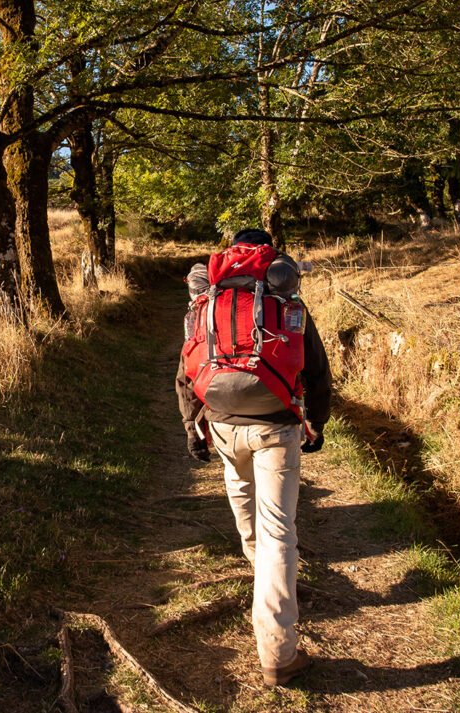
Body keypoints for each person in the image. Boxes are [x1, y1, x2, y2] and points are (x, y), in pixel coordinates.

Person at [175, 227, 332, 687]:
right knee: (279, 531)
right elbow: (315, 369)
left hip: (222, 422)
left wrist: (192, 426)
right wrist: (316, 422)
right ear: (271, 258)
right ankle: (278, 653)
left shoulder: (206, 304)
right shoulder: (287, 304)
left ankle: (261, 571)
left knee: (242, 497)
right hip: (276, 425)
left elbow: (186, 367)